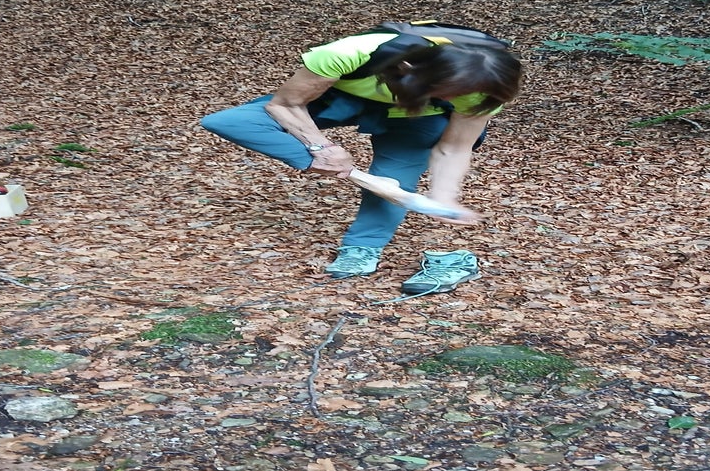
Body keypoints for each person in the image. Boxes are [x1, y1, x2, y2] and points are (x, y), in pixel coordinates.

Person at [200, 21, 523, 294]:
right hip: (346, 95)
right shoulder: (350, 53)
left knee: (396, 180)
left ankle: (362, 248)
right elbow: (284, 104)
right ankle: (359, 177)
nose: (459, 99)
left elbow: (454, 147)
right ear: (410, 70)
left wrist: (443, 198)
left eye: (461, 95)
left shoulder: (482, 88)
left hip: (419, 114)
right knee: (232, 121)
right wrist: (321, 148)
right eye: (449, 92)